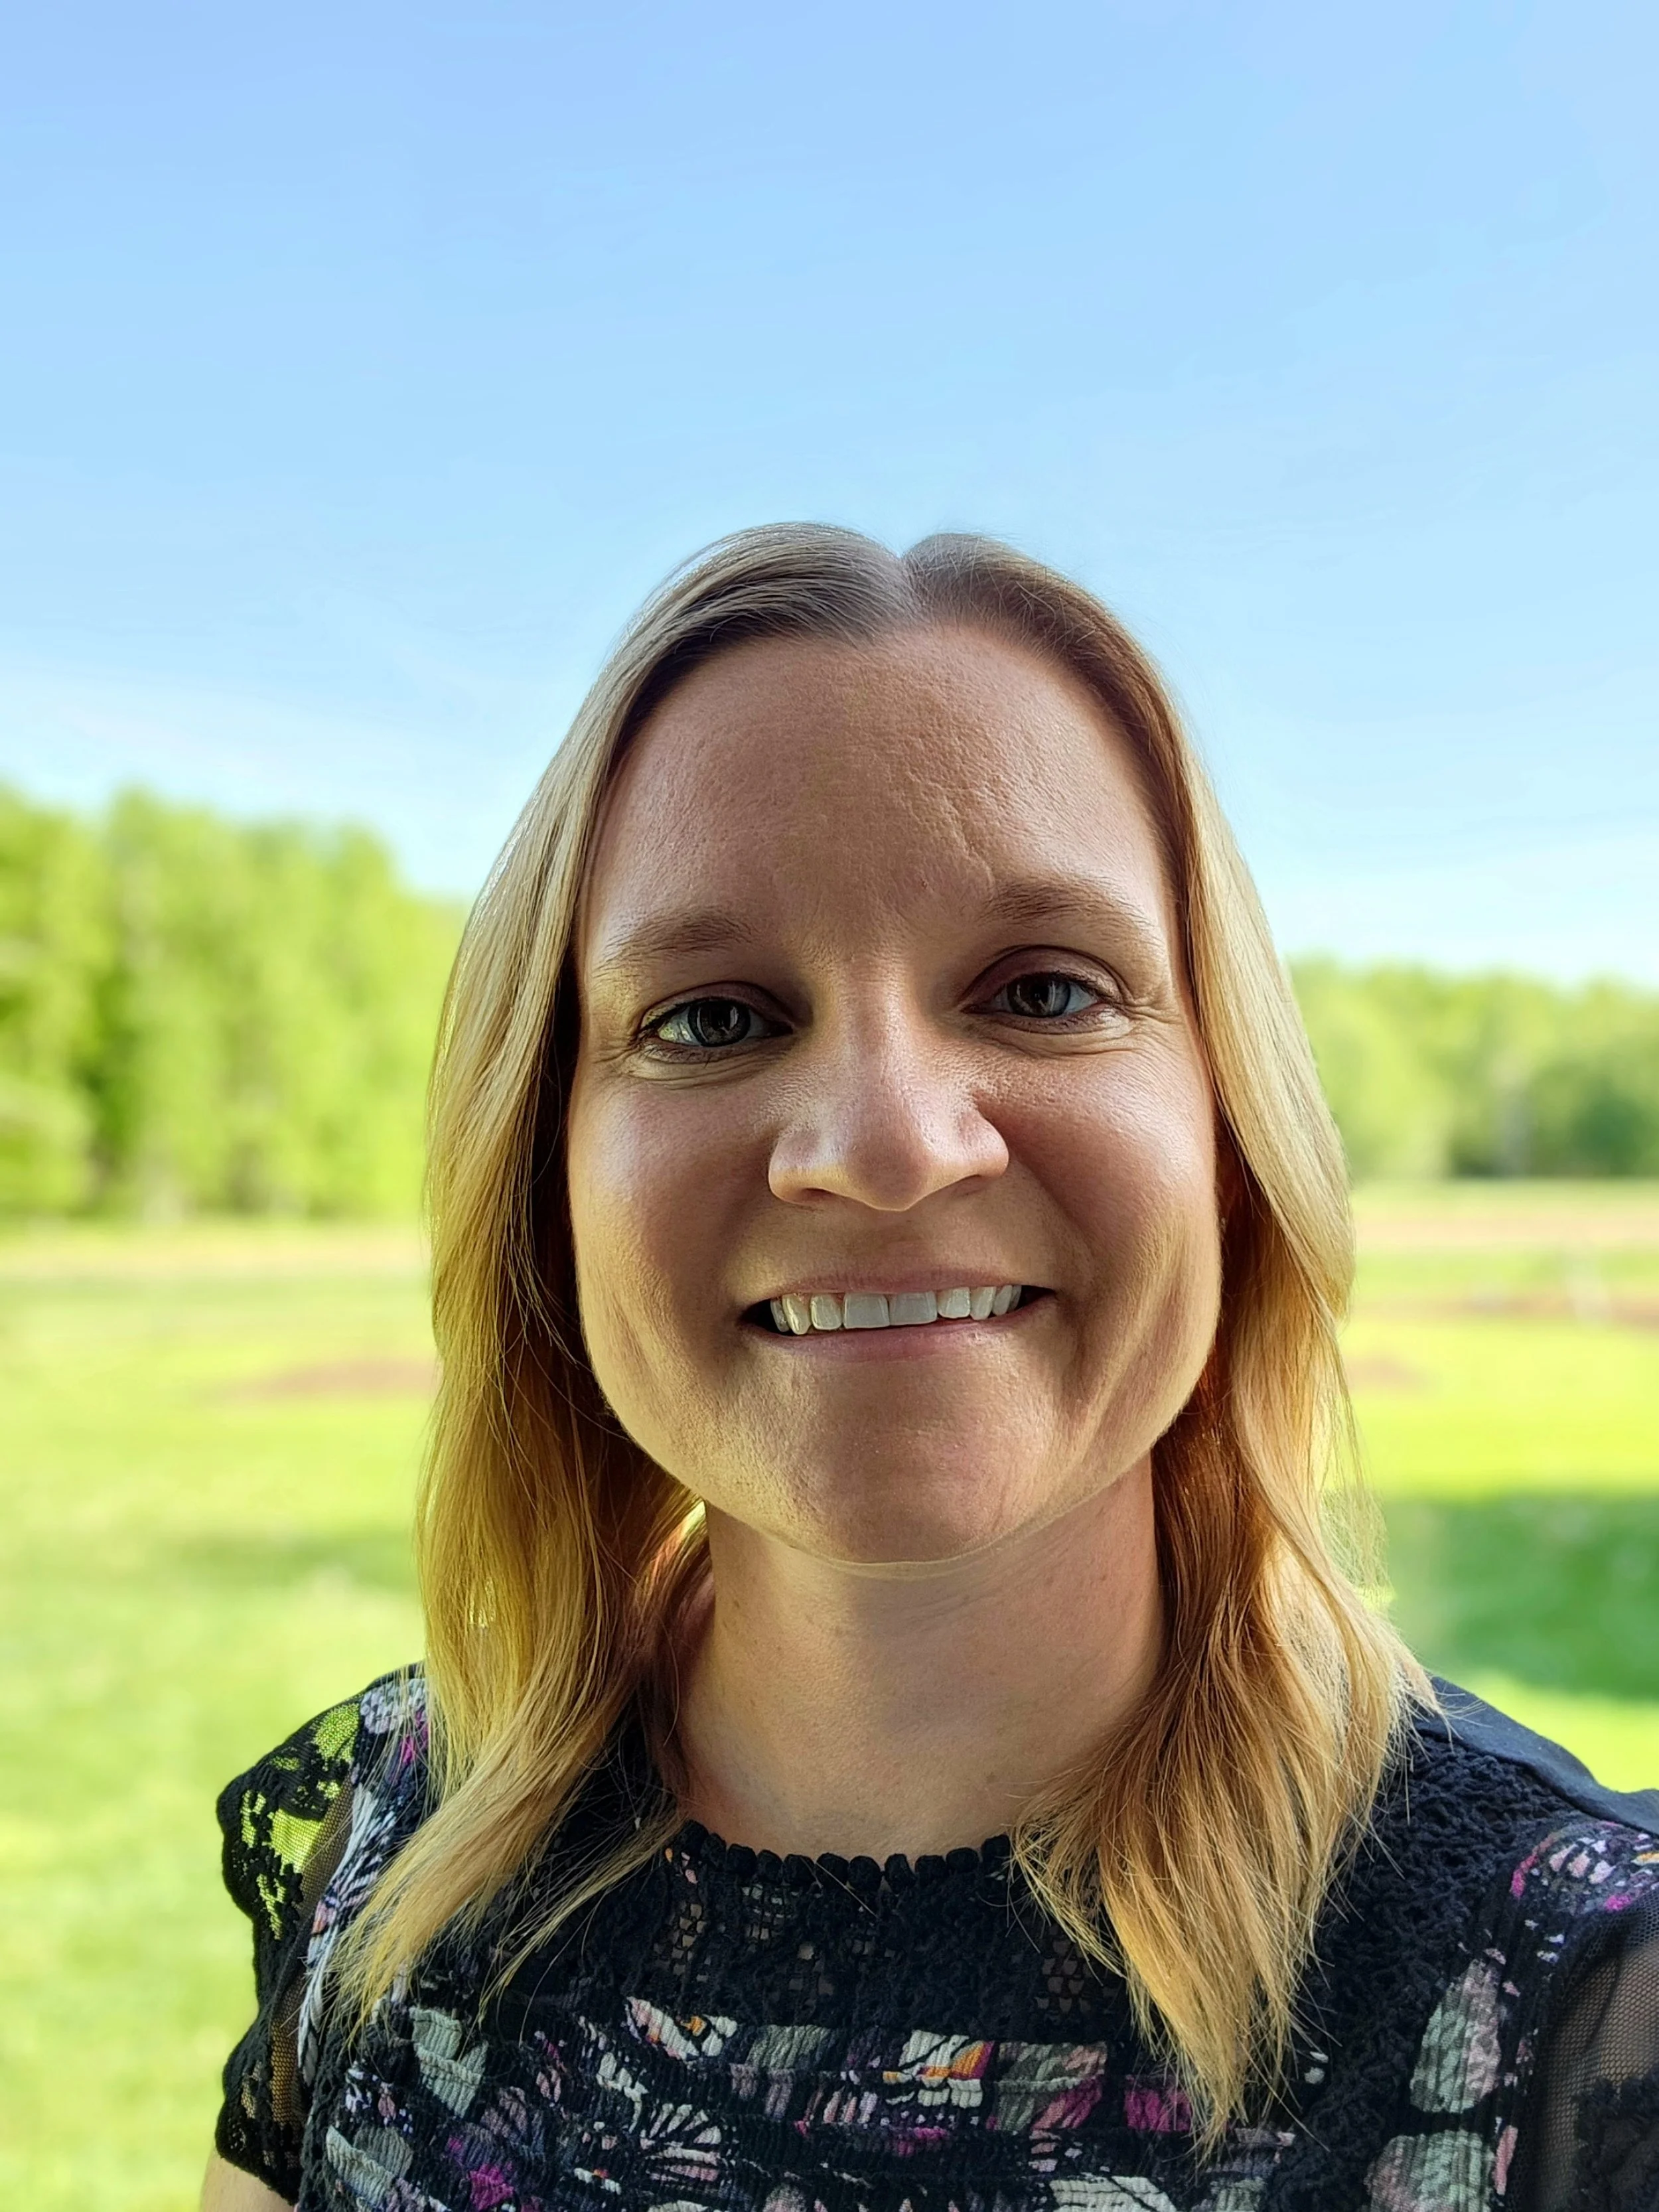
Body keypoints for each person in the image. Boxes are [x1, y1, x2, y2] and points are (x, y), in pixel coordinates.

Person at [202, 528, 1659, 2212]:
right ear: (542, 1178)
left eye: (1043, 989)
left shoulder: (1570, 2004)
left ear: (1230, 1140)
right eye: (712, 1017)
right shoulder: (395, 1868)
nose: (885, 1146)